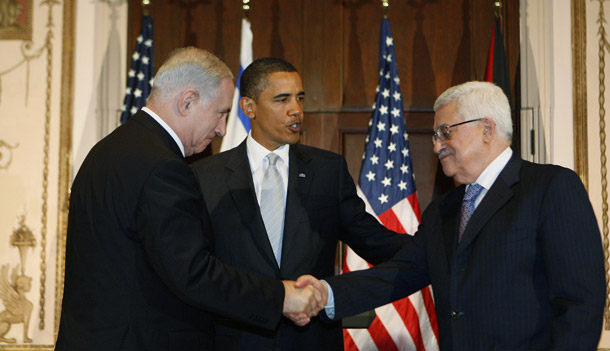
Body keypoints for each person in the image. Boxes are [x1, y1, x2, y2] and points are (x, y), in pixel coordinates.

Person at [55, 48, 323, 351]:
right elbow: (192, 273)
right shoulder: (163, 167)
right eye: (221, 113)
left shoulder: (105, 151)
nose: (222, 129)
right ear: (187, 101)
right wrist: (282, 297)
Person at [306, 81, 606, 350]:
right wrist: (324, 294)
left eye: (445, 132)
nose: (436, 145)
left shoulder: (550, 187)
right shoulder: (443, 211)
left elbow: (580, 302)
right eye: (436, 134)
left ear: (486, 128)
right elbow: (401, 272)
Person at [190, 57, 408, 350]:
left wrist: (436, 250)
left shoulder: (327, 171)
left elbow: (373, 240)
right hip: (236, 340)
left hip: (311, 340)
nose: (296, 110)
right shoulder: (205, 177)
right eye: (282, 99)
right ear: (249, 107)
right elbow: (197, 268)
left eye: (300, 98)